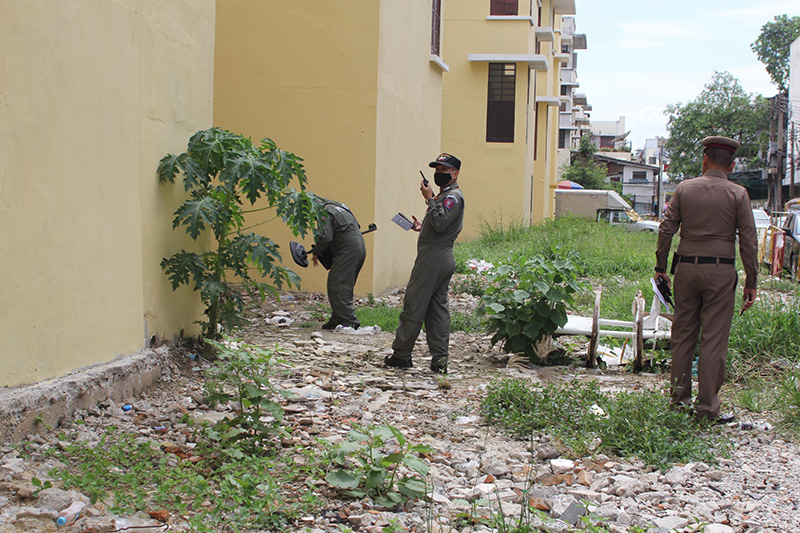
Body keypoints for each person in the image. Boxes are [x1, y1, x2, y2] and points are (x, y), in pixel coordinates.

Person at [654, 136, 757, 424]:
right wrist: (751, 279)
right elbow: (749, 240)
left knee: (683, 334)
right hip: (721, 272)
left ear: (704, 159)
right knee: (713, 339)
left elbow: (666, 229)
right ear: (732, 165)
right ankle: (707, 409)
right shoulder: (738, 194)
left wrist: (661, 266)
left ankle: (679, 401)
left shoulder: (685, 189)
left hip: (686, 269)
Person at [385, 153, 465, 373]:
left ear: (455, 173)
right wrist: (423, 225)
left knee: (414, 304)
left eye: (444, 170)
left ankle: (401, 355)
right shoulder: (445, 196)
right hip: (437, 256)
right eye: (436, 170)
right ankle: (440, 361)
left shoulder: (452, 197)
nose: (438, 174)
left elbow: (440, 222)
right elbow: (439, 223)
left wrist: (428, 199)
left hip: (434, 258)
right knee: (436, 310)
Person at [312, 198, 366, 330]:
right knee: (343, 285)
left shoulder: (323, 211)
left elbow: (326, 237)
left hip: (347, 250)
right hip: (358, 245)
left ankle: (350, 321)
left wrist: (316, 251)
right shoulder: (339, 206)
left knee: (337, 284)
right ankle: (337, 319)